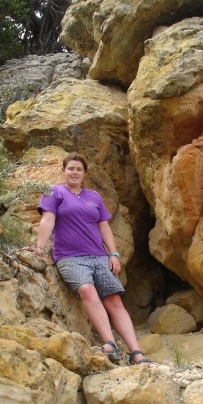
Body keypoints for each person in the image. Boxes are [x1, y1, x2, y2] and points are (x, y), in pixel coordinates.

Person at [34, 152, 151, 365]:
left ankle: (136, 353)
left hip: (99, 256)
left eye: (79, 169)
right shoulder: (54, 192)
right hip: (70, 257)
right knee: (87, 289)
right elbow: (47, 220)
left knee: (114, 300)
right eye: (70, 168)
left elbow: (103, 226)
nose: (74, 172)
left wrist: (113, 254)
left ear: (85, 173)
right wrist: (39, 247)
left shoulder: (93, 196)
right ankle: (109, 343)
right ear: (63, 171)